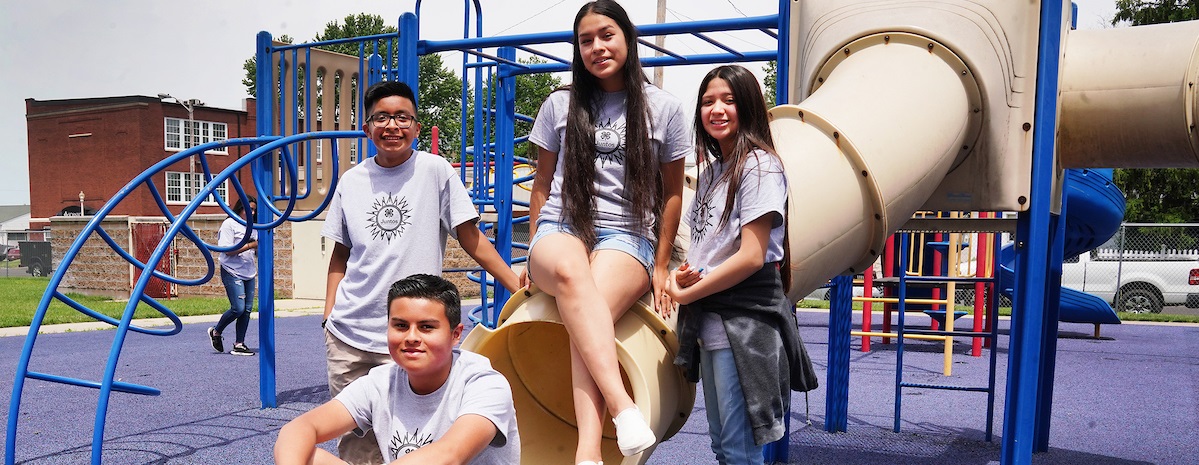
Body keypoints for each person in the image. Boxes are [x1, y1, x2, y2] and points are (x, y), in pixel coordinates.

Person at [322, 80, 521, 464]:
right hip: (351, 335)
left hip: (412, 332)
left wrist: (516, 286)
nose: (391, 125)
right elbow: (340, 254)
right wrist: (329, 314)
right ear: (366, 127)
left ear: (415, 127)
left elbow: (470, 236)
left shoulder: (435, 171)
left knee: (423, 440)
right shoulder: (352, 181)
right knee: (358, 445)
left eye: (402, 117)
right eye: (381, 117)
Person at [524, 1, 689, 463]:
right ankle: (622, 409)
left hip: (628, 232)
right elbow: (541, 186)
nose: (596, 47)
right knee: (577, 280)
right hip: (562, 224)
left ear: (628, 38)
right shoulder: (560, 104)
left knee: (585, 311)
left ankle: (587, 453)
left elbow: (672, 194)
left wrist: (660, 265)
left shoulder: (664, 108)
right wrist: (533, 251)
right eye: (585, 40)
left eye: (606, 35)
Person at [665, 65, 818, 465]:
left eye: (728, 100)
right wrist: (687, 273)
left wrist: (686, 291)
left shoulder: (759, 166)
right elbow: (711, 248)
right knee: (724, 446)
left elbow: (752, 255)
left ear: (748, 106)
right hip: (713, 323)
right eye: (707, 101)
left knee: (738, 451)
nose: (716, 109)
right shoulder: (714, 171)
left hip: (744, 324)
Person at [275, 274, 520, 465]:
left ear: (455, 334)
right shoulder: (380, 382)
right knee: (305, 456)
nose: (411, 337)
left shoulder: (484, 384)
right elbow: (299, 428)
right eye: (401, 326)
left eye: (426, 327)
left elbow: (450, 455)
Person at [208, 196, 258, 356]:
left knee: (247, 310)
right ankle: (216, 331)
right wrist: (251, 245)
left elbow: (256, 250)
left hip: (248, 271)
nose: (251, 212)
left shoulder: (255, 226)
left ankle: (239, 343)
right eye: (248, 208)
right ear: (239, 208)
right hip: (231, 270)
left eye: (254, 209)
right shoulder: (230, 224)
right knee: (238, 308)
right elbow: (227, 250)